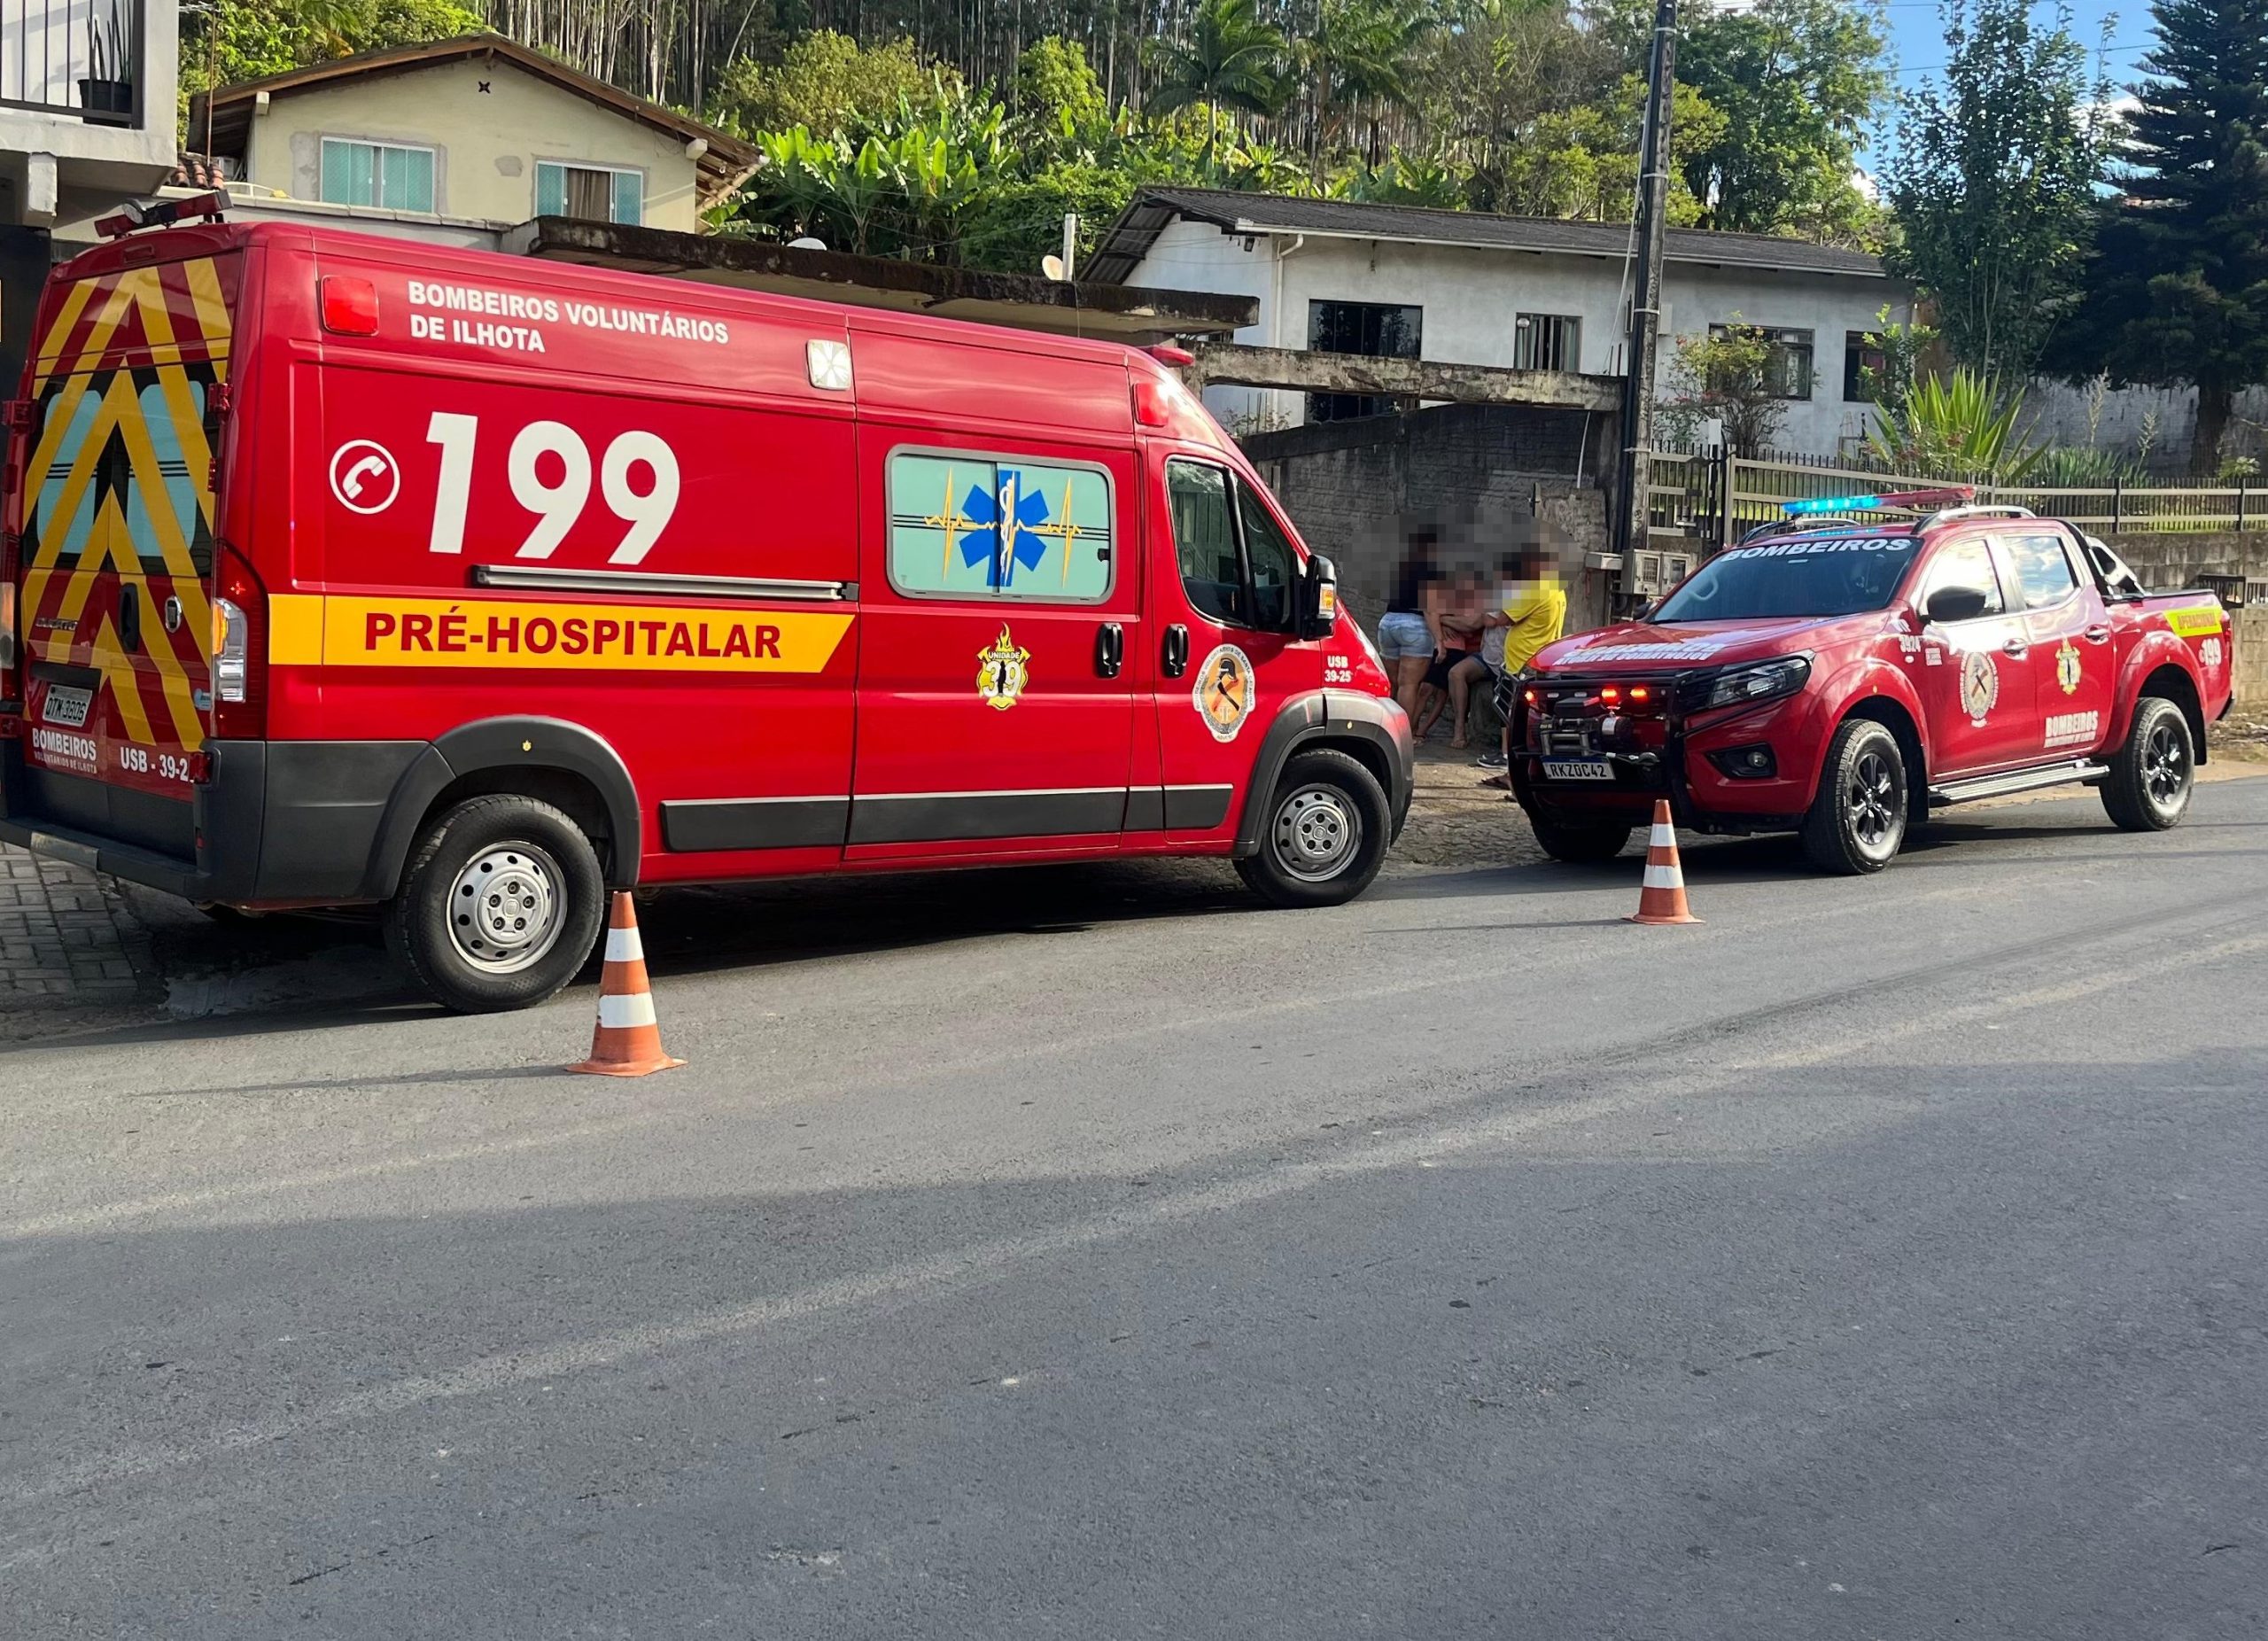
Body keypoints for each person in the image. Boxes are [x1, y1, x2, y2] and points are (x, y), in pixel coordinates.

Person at [1472, 546, 1567, 774]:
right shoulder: (1557, 589)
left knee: (1511, 712)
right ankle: (1512, 760)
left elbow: (1501, 619)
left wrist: (1485, 615)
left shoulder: (1536, 589)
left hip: (1522, 660)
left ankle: (1509, 759)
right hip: (1538, 656)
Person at [1374, 535, 1442, 723]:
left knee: (1392, 683)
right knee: (1408, 685)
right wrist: (1440, 642)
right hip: (1414, 626)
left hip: (1388, 623)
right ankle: (1402, 735)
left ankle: (1383, 728)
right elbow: (1430, 609)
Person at [1415, 570, 1482, 742]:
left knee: (1440, 693)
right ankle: (1412, 728)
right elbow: (1430, 614)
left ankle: (1421, 730)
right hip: (1440, 646)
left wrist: (1443, 620)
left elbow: (1469, 628)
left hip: (1457, 649)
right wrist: (1444, 622)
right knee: (1426, 689)